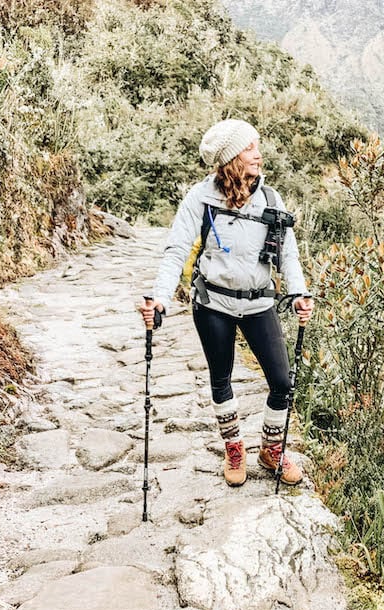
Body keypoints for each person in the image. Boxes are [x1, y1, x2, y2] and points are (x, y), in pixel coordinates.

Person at [140, 119, 314, 488]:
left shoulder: (271, 200)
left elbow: (289, 256)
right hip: (213, 303)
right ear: (231, 157)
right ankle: (234, 448)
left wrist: (298, 292)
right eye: (251, 147)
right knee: (222, 379)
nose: (258, 153)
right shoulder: (199, 199)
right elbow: (176, 251)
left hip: (258, 304)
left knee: (281, 381)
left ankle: (270, 449)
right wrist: (160, 298)